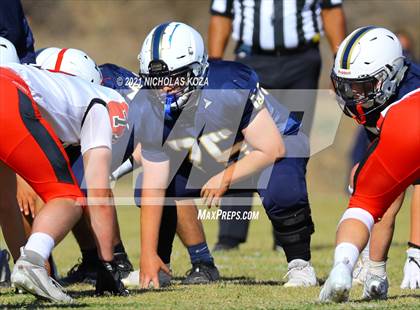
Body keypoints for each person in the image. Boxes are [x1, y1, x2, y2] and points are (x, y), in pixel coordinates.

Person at [135, 22, 317, 289]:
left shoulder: (228, 86)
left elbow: (271, 148)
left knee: (281, 186)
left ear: (197, 69)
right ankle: (160, 264)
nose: (164, 89)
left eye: (174, 78)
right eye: (157, 81)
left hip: (277, 144)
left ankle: (300, 265)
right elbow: (153, 182)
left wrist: (226, 177)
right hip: (221, 152)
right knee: (147, 187)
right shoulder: (149, 104)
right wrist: (146, 254)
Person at [208, 0, 346, 251]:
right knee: (239, 143)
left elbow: (330, 9)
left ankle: (287, 234)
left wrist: (340, 62)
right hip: (251, 58)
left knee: (292, 143)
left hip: (301, 60)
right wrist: (215, 63)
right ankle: (229, 236)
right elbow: (221, 14)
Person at [0, 60, 130, 302]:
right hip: (7, 94)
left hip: (7, 88)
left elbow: (7, 206)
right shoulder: (106, 102)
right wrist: (108, 264)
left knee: (4, 197)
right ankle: (33, 263)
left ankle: (27, 268)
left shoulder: (54, 87)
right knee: (68, 197)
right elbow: (98, 194)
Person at [319, 26, 420, 303]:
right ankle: (375, 272)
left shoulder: (404, 94)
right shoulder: (386, 82)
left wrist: (415, 250)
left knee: (363, 201)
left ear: (390, 75)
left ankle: (344, 268)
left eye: (362, 86)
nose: (353, 94)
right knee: (368, 188)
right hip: (403, 129)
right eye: (346, 85)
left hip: (406, 125)